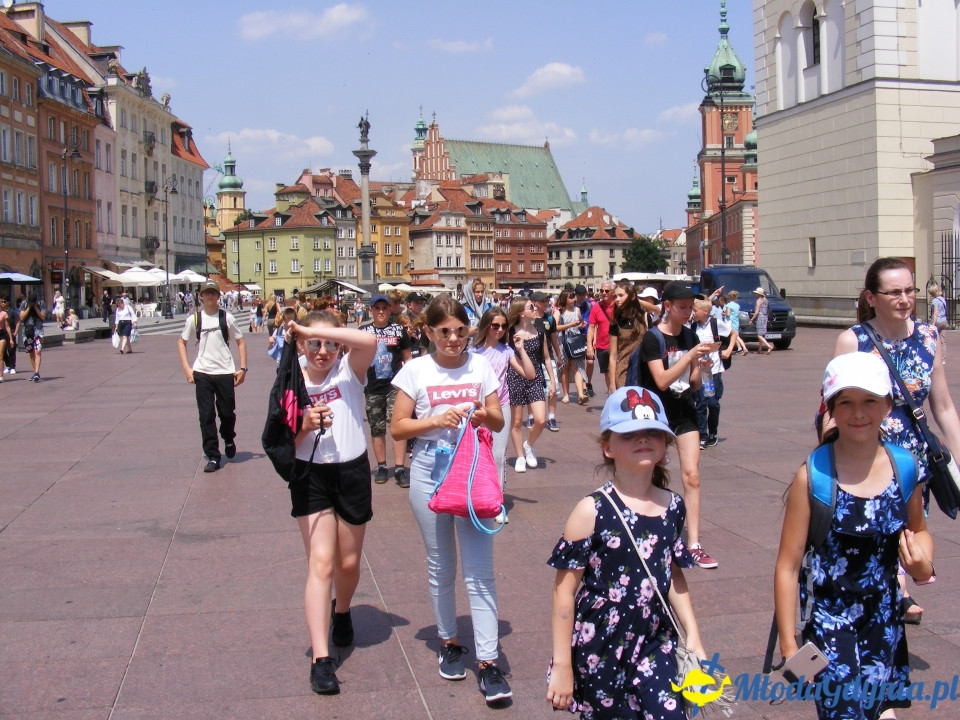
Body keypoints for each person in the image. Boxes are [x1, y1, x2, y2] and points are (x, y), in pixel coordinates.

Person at [775, 352, 934, 720]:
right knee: (844, 712)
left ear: (888, 406)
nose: (858, 413)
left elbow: (920, 531)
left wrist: (922, 564)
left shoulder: (904, 467)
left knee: (876, 708)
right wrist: (788, 645)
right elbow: (788, 564)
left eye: (869, 401)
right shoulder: (814, 476)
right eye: (846, 402)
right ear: (831, 408)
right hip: (830, 621)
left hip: (884, 619)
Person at [546, 386, 705, 718]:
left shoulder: (673, 506)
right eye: (629, 434)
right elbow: (564, 592)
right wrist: (562, 664)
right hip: (602, 643)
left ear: (664, 446)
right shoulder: (592, 510)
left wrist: (693, 635)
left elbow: (672, 575)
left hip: (655, 637)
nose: (642, 439)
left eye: (652, 433)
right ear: (608, 448)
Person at [390, 296, 512, 705]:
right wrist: (436, 420)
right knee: (441, 563)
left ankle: (489, 661)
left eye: (460, 331)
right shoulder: (415, 370)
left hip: (473, 471)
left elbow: (498, 418)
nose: (453, 339)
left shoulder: (480, 366)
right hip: (429, 470)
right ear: (429, 332)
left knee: (480, 570)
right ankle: (448, 640)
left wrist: (482, 414)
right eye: (444, 331)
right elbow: (398, 428)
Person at [831, 257, 960, 625]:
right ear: (872, 297)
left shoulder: (928, 336)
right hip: (866, 447)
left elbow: (944, 405)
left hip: (914, 452)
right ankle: (896, 592)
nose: (905, 299)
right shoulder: (853, 340)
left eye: (909, 290)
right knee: (876, 525)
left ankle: (897, 586)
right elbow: (831, 403)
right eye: (894, 292)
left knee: (911, 524)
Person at [282, 311, 378, 695]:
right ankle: (321, 659)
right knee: (321, 563)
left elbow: (370, 342)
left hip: (352, 472)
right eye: (313, 344)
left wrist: (311, 328)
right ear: (301, 346)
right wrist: (303, 425)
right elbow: (277, 443)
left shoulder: (348, 372)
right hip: (311, 477)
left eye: (329, 343)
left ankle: (342, 611)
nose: (322, 351)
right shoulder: (291, 380)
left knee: (348, 562)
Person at [638, 281, 718, 569]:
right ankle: (647, 531)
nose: (688, 312)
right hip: (656, 412)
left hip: (684, 410)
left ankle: (694, 543)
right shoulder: (652, 339)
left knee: (692, 475)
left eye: (690, 307)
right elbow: (660, 380)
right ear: (667, 306)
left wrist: (701, 365)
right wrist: (688, 357)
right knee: (650, 474)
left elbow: (694, 383)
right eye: (682, 307)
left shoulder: (691, 335)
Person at [470, 306, 536, 523]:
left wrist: (521, 348)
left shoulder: (506, 351)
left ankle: (495, 503)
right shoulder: (473, 352)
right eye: (495, 325)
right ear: (486, 326)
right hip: (477, 408)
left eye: (503, 326)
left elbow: (529, 374)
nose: (499, 330)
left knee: (498, 455)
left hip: (502, 405)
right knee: (476, 454)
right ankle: (475, 496)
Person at [177, 280, 248, 473]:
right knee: (206, 415)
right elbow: (181, 343)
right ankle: (213, 455)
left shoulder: (227, 318)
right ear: (201, 296)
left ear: (218, 296)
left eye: (213, 293)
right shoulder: (195, 320)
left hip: (225, 371)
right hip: (203, 373)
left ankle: (228, 437)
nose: (209, 296)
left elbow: (240, 342)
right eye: (206, 293)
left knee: (227, 413)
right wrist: (187, 368)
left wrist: (242, 368)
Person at [362, 294, 412, 487]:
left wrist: (408, 379)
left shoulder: (399, 331)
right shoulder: (364, 331)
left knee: (398, 427)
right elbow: (353, 356)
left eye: (384, 308)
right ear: (371, 311)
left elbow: (407, 357)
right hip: (372, 386)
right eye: (377, 308)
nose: (381, 311)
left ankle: (399, 468)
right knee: (377, 428)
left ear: (390, 310)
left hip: (394, 386)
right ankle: (382, 466)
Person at [506, 297, 549, 472]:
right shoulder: (510, 333)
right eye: (531, 306)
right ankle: (520, 456)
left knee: (540, 419)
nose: (535, 308)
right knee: (516, 422)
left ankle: (528, 444)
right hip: (515, 377)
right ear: (521, 312)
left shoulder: (539, 331)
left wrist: (552, 381)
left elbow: (546, 357)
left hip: (536, 377)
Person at [691, 297, 725, 449]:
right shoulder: (693, 327)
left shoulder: (715, 324)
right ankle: (702, 436)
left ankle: (713, 433)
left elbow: (733, 333)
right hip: (700, 370)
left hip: (712, 372)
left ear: (705, 312)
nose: (693, 313)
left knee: (713, 403)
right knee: (701, 404)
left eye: (695, 310)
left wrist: (730, 349)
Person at [608, 280, 649, 389]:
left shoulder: (644, 318)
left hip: (643, 371)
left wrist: (635, 300)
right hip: (623, 372)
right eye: (615, 296)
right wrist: (612, 384)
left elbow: (658, 310)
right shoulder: (616, 324)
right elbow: (612, 356)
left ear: (632, 296)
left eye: (621, 295)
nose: (617, 300)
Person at [531, 291, 561, 430]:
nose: (546, 303)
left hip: (548, 357)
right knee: (531, 387)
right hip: (532, 358)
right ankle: (531, 416)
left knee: (552, 387)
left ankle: (552, 416)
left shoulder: (549, 319)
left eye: (546, 301)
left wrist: (558, 354)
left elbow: (554, 337)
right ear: (535, 303)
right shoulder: (529, 320)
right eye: (542, 301)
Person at [555, 290, 588, 404]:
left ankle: (580, 394)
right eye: (570, 298)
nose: (573, 300)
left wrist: (581, 326)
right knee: (566, 367)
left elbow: (578, 325)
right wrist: (570, 325)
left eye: (573, 297)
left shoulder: (577, 310)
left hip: (575, 341)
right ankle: (566, 395)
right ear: (564, 299)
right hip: (563, 342)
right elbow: (555, 328)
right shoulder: (559, 312)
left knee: (577, 366)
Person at [586, 281, 616, 395]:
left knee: (617, 372)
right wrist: (589, 345)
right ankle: (611, 394)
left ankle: (616, 394)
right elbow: (591, 327)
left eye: (607, 291)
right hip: (601, 346)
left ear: (613, 292)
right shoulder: (597, 307)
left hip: (616, 345)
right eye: (601, 290)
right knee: (607, 373)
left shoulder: (618, 305)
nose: (604, 293)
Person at [16, 293, 45, 382]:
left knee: (38, 351)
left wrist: (36, 307)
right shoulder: (24, 304)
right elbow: (21, 317)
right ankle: (35, 372)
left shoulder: (41, 304)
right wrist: (28, 307)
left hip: (38, 331)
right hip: (28, 332)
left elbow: (43, 317)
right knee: (31, 352)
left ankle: (36, 373)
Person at [573, 285, 595, 396]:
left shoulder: (589, 305)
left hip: (588, 336)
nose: (581, 297)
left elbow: (594, 322)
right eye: (579, 295)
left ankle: (588, 382)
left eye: (583, 295)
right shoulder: (573, 306)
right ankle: (583, 386)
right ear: (575, 295)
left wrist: (594, 337)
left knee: (590, 362)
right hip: (577, 337)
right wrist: (578, 326)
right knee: (580, 363)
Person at [750, 287, 773, 354]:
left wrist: (752, 319)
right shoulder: (765, 300)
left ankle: (769, 346)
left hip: (760, 318)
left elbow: (757, 312)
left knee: (759, 335)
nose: (755, 294)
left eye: (756, 293)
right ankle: (760, 349)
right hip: (765, 317)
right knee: (761, 334)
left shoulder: (759, 300)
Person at [929, 283, 948, 363]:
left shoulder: (935, 301)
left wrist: (932, 324)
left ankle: (933, 356)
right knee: (943, 341)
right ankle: (943, 359)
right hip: (944, 321)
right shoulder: (943, 299)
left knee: (932, 339)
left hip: (938, 322)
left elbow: (935, 313)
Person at [726, 290, 748, 355]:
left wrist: (724, 313)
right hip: (736, 321)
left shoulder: (729, 305)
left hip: (730, 322)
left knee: (736, 336)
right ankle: (739, 348)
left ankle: (744, 348)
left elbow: (728, 314)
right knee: (734, 336)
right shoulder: (737, 305)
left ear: (729, 297)